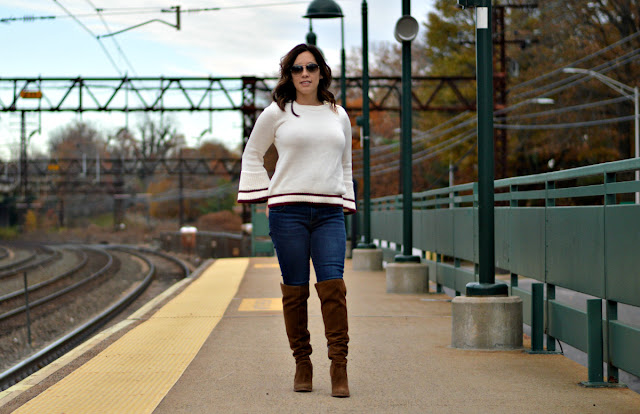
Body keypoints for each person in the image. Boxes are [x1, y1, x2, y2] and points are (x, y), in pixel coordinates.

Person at [237, 43, 355, 398]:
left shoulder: (339, 115)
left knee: (333, 288)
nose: (305, 74)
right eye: (297, 68)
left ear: (322, 72)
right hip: (287, 212)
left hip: (329, 213)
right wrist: (267, 193)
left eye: (311, 67)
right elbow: (252, 154)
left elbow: (346, 164)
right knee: (295, 290)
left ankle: (339, 367)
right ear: (289, 75)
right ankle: (303, 363)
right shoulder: (277, 112)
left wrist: (346, 200)